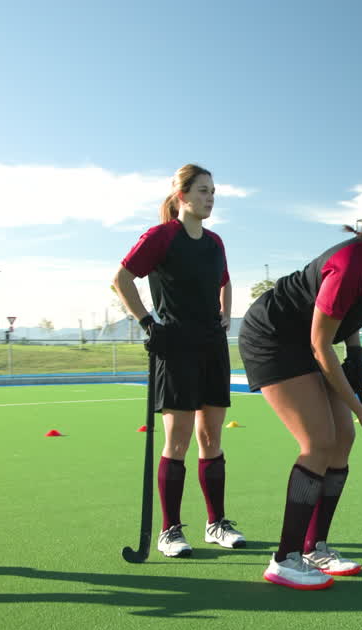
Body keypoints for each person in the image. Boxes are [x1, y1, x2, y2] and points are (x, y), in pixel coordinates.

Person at [239, 192, 362, 589]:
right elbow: (319, 343)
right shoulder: (352, 264)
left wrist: (357, 353)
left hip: (310, 339)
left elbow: (347, 314)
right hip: (274, 339)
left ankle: (315, 546)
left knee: (341, 439)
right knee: (318, 441)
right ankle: (285, 558)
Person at [113, 164, 243, 558]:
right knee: (180, 439)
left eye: (213, 191)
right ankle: (169, 531)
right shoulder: (161, 237)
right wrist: (148, 323)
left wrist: (225, 313)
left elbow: (225, 279)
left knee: (212, 438)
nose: (210, 198)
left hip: (211, 345)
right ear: (181, 196)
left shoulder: (215, 242)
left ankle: (216, 523)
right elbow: (121, 278)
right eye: (203, 190)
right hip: (175, 345)